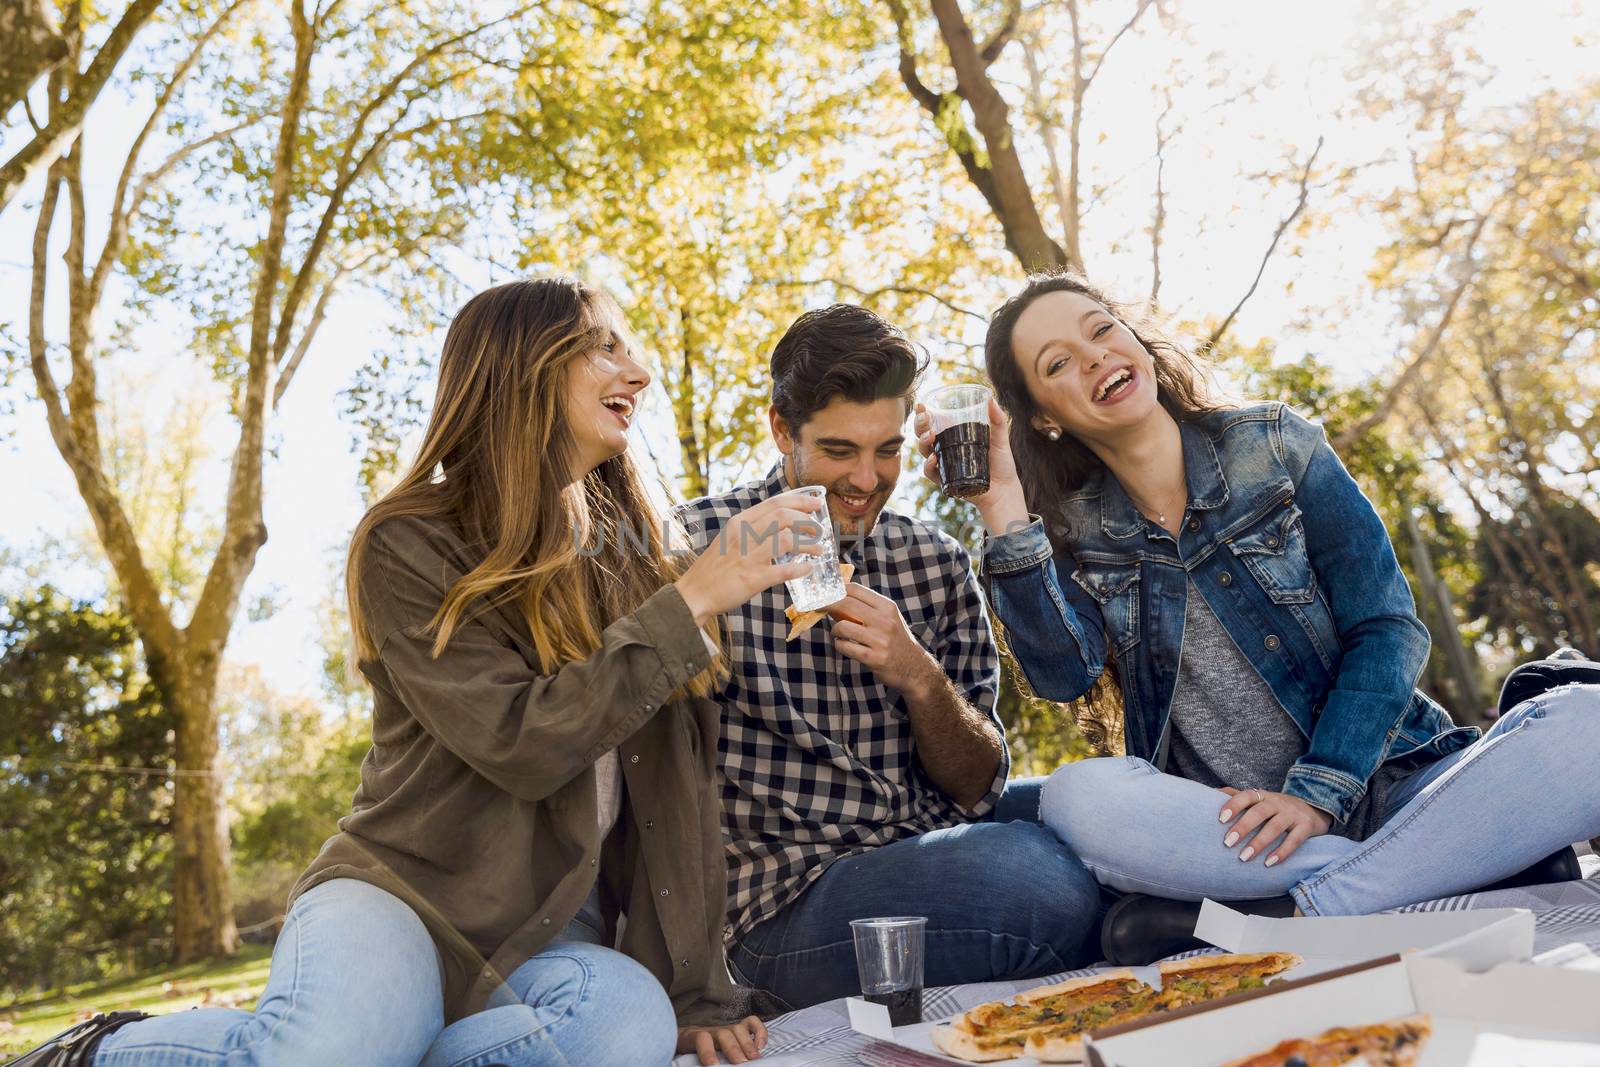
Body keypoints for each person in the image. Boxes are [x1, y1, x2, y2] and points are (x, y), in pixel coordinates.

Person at [16, 278, 818, 1067]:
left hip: (548, 929)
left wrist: (695, 994)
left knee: (622, 1025)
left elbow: (679, 794)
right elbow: (525, 740)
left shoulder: (637, 559)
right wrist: (697, 595)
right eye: (605, 349)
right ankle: (104, 1048)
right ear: (523, 367)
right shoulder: (409, 541)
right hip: (402, 898)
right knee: (331, 1051)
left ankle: (403, 1041)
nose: (637, 373)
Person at [916, 270, 1600, 964]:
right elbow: (1063, 676)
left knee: (1587, 720)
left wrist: (1318, 791)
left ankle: (1317, 905)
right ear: (1043, 416)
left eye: (1101, 329)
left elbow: (1388, 628)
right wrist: (1001, 505)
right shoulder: (1071, 528)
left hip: (1396, 784)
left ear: (1136, 343)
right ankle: (1430, 872)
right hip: (1239, 836)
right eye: (1057, 363)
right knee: (1076, 793)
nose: (1094, 356)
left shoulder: (1274, 444)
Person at [678, 304, 1103, 1012]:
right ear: (782, 429)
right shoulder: (699, 544)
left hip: (922, 843)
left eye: (888, 450)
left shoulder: (932, 562)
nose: (866, 479)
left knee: (1094, 804)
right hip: (781, 902)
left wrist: (919, 677)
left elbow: (980, 784)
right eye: (839, 450)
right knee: (1035, 880)